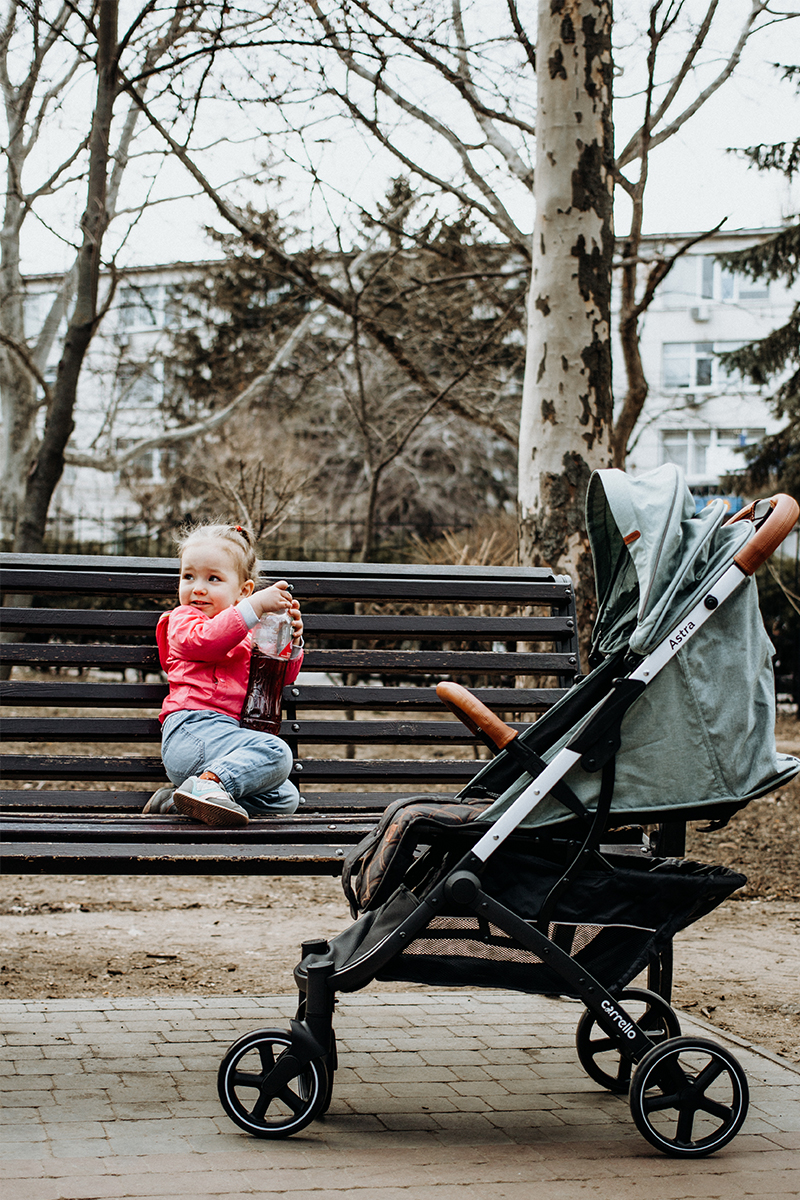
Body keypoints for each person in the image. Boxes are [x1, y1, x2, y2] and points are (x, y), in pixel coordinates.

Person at [142, 523, 304, 827]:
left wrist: (290, 642)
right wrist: (254, 607)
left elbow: (278, 679)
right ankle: (209, 785)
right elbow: (209, 640)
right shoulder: (183, 620)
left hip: (227, 741)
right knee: (277, 753)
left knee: (284, 796)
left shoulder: (250, 634)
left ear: (242, 590)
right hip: (191, 733)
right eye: (188, 576)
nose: (198, 587)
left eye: (213, 578)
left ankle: (179, 799)